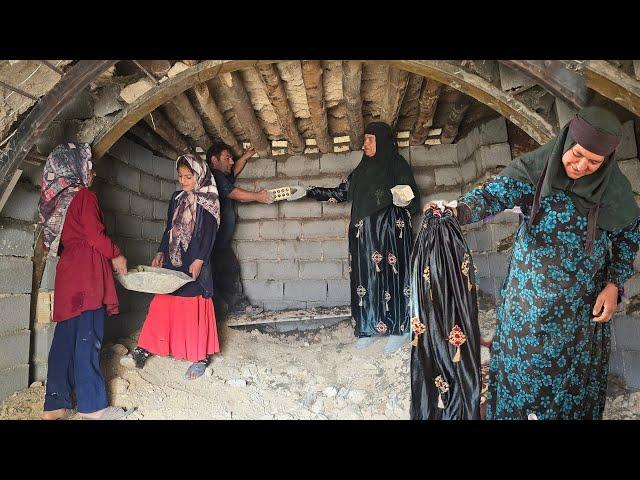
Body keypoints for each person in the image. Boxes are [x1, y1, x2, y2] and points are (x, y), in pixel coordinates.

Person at [426, 106, 640, 419]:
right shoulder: (535, 173)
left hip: (579, 313)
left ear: (607, 162)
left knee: (569, 386)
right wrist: (457, 211)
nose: (582, 166)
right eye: (577, 155)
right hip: (526, 308)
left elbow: (627, 239)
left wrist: (613, 285)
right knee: (520, 375)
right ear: (566, 142)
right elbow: (492, 197)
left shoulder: (614, 193)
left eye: (595, 162)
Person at [305, 122, 421, 353]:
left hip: (390, 232)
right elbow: (341, 193)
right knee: (365, 280)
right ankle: (368, 328)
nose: (364, 144)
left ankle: (400, 329)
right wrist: (308, 191)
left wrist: (402, 200)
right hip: (363, 236)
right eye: (365, 139)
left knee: (394, 278)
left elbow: (413, 198)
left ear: (382, 141)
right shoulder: (362, 169)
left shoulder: (396, 164)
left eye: (370, 139)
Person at [38, 142, 132, 420]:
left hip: (67, 277)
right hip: (87, 277)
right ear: (75, 169)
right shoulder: (85, 197)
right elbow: (94, 235)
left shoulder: (58, 205)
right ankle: (93, 406)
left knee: (64, 341)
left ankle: (55, 405)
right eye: (88, 165)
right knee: (88, 340)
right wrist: (116, 255)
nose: (92, 171)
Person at [132, 154, 221, 380]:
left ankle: (199, 356)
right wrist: (161, 251)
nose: (183, 181)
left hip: (196, 258)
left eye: (188, 176)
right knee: (164, 300)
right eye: (180, 176)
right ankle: (145, 346)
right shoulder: (176, 198)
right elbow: (168, 229)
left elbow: (209, 233)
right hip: (175, 256)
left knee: (193, 302)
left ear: (199, 176)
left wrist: (200, 259)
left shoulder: (208, 199)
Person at [206, 142, 272, 318]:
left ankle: (230, 308)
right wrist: (259, 196)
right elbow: (235, 194)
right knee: (222, 272)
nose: (231, 161)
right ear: (214, 160)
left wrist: (244, 156)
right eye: (227, 158)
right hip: (212, 242)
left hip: (219, 241)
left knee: (227, 270)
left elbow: (233, 171)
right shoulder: (214, 176)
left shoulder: (222, 177)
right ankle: (229, 309)